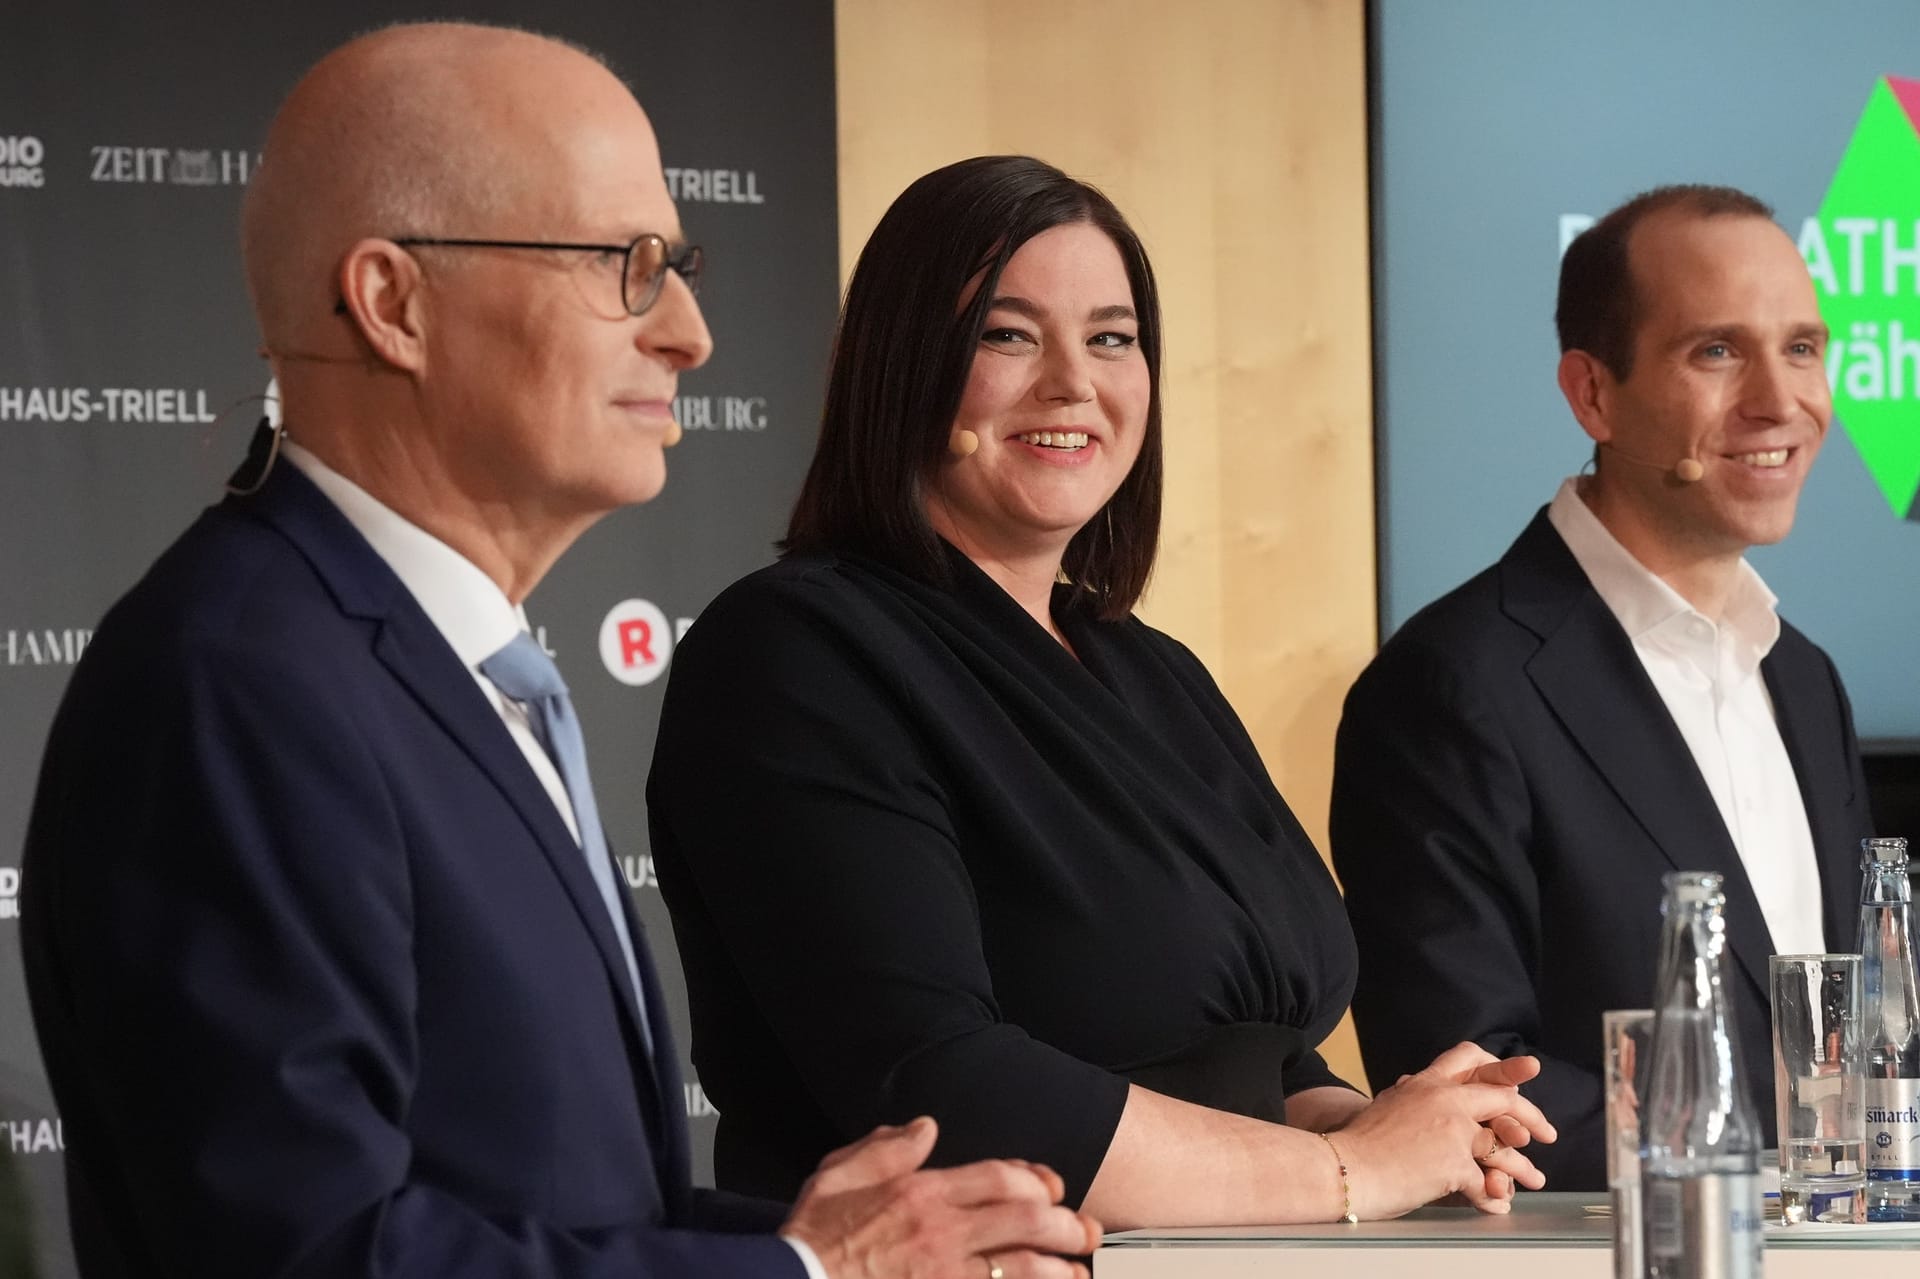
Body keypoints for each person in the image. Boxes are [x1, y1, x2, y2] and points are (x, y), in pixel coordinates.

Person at [20, 25, 1101, 1279]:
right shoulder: (234, 682)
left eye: (679, 265)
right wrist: (816, 1273)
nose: (689, 332)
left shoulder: (435, 668)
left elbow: (552, 1212)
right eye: (623, 264)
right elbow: (307, 1252)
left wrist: (862, 1248)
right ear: (393, 304)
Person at [646, 155, 1555, 1232]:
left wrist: (1394, 1128)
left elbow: (1249, 1046)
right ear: (901, 363)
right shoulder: (795, 651)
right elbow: (942, 1088)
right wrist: (1350, 1176)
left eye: (1113, 337)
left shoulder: (1149, 666)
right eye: (1008, 333)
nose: (1075, 381)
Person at [1330, 184, 1873, 1191]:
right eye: (1717, 351)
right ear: (1592, 394)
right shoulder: (1449, 687)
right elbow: (1477, 1088)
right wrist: (1776, 1176)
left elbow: (1836, 1053)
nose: (1781, 399)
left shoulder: (1805, 679)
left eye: (1802, 347)